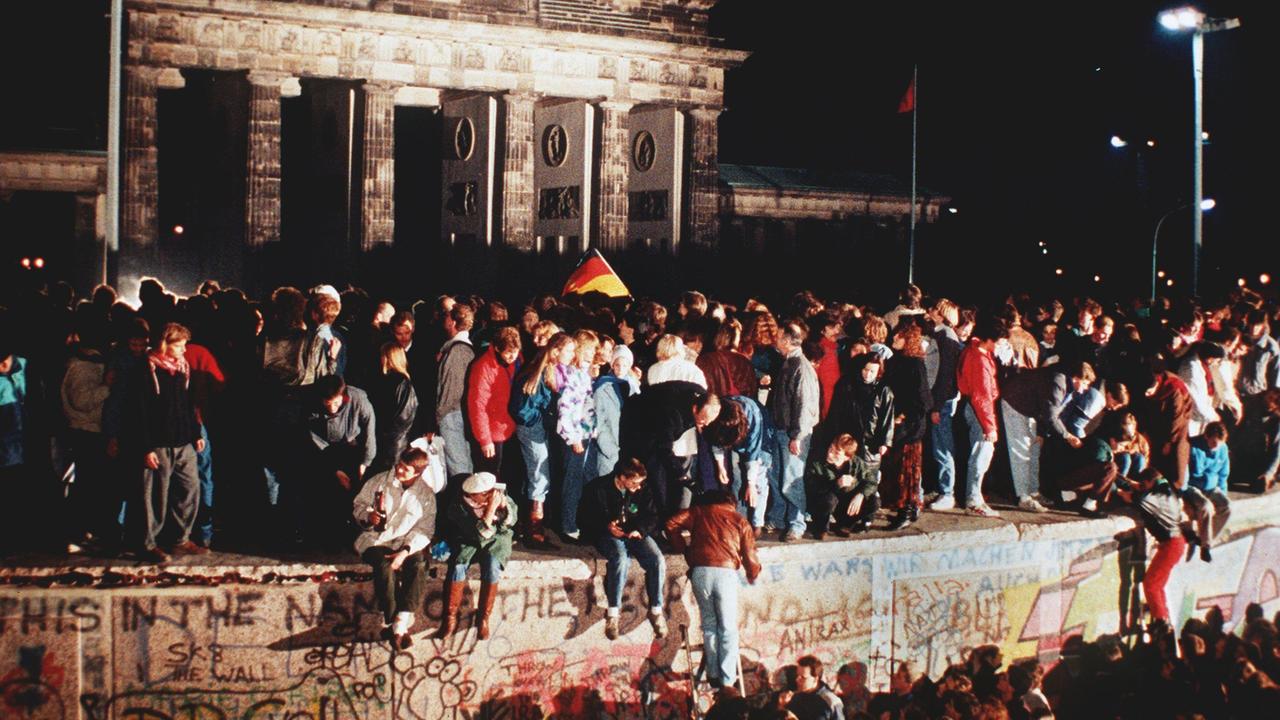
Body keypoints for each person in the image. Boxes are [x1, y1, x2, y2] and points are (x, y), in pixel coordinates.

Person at [122, 323, 207, 562]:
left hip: (182, 442)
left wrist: (195, 433)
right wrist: (146, 447)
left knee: (190, 490)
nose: (183, 350)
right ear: (164, 345)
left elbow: (188, 404)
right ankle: (149, 544)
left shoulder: (182, 368)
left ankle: (180, 538)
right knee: (154, 497)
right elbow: (139, 412)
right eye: (178, 345)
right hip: (158, 443)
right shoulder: (145, 370)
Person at [665, 489, 760, 690]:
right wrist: (753, 573)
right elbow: (750, 555)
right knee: (727, 628)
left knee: (709, 625)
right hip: (725, 574)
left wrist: (683, 548)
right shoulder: (739, 520)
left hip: (700, 573)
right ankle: (727, 680)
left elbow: (671, 523)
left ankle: (714, 674)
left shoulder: (698, 512)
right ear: (731, 502)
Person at [353, 447, 436, 649]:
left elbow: (425, 529)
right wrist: (367, 517)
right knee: (385, 566)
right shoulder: (380, 481)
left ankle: (401, 620)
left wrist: (406, 550)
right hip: (377, 539)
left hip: (406, 542)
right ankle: (395, 623)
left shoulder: (426, 495)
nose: (398, 471)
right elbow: (358, 505)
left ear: (417, 473)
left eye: (405, 470)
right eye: (399, 466)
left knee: (418, 565)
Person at [577, 458, 667, 640]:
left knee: (657, 559)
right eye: (634, 483)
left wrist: (639, 530)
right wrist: (606, 526)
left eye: (640, 483)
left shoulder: (643, 489)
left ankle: (656, 610)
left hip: (635, 533)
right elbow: (585, 518)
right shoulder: (598, 488)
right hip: (608, 535)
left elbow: (652, 516)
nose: (638, 487)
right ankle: (613, 613)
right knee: (620, 559)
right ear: (622, 478)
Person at [618, 380, 721, 517]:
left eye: (709, 421)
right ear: (695, 409)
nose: (706, 424)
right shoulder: (672, 416)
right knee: (654, 476)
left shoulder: (703, 396)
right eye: (702, 420)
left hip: (657, 410)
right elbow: (664, 450)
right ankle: (646, 518)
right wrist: (684, 478)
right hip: (638, 423)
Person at [438, 472, 517, 640]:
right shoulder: (458, 507)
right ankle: (450, 617)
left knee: (492, 567)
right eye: (486, 494)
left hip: (496, 542)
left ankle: (483, 618)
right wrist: (489, 512)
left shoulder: (500, 497)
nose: (492, 496)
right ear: (474, 495)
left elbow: (511, 522)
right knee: (458, 566)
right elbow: (479, 534)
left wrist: (503, 510)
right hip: (469, 540)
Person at [509, 333, 571, 546]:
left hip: (538, 428)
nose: (572, 355)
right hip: (532, 428)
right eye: (569, 351)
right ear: (555, 351)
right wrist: (546, 418)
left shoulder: (551, 370)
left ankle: (529, 523)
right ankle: (534, 528)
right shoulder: (538, 372)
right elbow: (523, 410)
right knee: (539, 474)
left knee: (536, 474)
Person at [943, 317, 1008, 517]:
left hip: (974, 407)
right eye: (998, 341)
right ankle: (973, 499)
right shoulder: (979, 359)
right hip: (979, 410)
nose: (1000, 345)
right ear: (989, 339)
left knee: (978, 453)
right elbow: (982, 397)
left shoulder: (975, 351)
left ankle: (974, 497)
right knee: (981, 455)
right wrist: (990, 426)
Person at [302, 374, 376, 549]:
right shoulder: (311, 403)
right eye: (328, 405)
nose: (332, 408)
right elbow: (314, 439)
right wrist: (335, 470)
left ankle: (356, 539)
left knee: (357, 494)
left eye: (335, 403)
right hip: (327, 450)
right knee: (330, 493)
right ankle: (330, 538)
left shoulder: (359, 399)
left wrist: (365, 463)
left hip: (354, 447)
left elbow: (369, 432)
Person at [766, 319, 820, 541]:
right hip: (784, 430)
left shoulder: (800, 366)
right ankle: (780, 517)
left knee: (792, 478)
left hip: (794, 432)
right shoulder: (789, 362)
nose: (774, 341)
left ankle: (796, 523)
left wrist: (797, 435)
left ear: (787, 340)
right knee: (779, 475)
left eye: (778, 337)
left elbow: (804, 403)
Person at [1115, 467, 1186, 624]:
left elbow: (1137, 499)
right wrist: (1135, 485)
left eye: (1144, 485)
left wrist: (1122, 493)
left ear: (1149, 482)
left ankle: (1160, 621)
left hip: (1171, 544)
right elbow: (1146, 492)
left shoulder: (1155, 496)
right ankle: (1162, 614)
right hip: (1175, 543)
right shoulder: (1166, 489)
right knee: (1158, 585)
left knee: (1151, 585)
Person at [883, 322, 931, 529]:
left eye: (897, 337)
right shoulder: (897, 361)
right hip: (898, 423)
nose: (893, 340)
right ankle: (906, 508)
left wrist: (903, 415)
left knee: (908, 470)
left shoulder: (915, 364)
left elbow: (923, 400)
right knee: (899, 469)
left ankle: (907, 509)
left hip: (910, 426)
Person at [704, 394, 771, 533]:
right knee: (737, 480)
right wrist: (721, 467)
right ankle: (740, 521)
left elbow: (754, 452)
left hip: (761, 439)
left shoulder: (753, 415)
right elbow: (715, 440)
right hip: (735, 436)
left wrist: (751, 484)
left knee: (758, 482)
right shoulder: (717, 412)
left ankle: (757, 523)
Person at [556, 330, 599, 540]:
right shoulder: (573, 375)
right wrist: (573, 437)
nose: (592, 353)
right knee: (571, 481)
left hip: (587, 434)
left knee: (586, 479)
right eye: (589, 348)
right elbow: (566, 408)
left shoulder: (584, 373)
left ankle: (581, 523)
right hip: (575, 437)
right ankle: (567, 526)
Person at [465, 326, 521, 476]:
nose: (513, 356)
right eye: (508, 352)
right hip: (491, 433)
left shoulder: (517, 361)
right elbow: (477, 406)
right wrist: (485, 439)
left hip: (509, 428)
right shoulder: (483, 367)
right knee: (489, 477)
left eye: (515, 351)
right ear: (497, 348)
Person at [436, 302, 476, 477]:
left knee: (458, 465)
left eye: (446, 316)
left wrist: (439, 415)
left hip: (452, 415)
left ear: (452, 322)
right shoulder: (458, 348)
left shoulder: (458, 352)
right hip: (456, 414)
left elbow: (451, 389)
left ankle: (462, 501)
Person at [804, 434, 870, 538]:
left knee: (873, 501)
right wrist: (836, 484)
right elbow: (812, 487)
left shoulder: (857, 463)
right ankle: (820, 528)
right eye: (831, 448)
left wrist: (860, 494)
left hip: (843, 503)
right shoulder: (817, 460)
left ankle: (844, 525)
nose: (830, 454)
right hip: (821, 502)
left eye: (836, 452)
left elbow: (871, 481)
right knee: (829, 500)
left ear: (847, 457)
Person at [368, 342, 418, 475]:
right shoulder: (390, 380)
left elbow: (404, 416)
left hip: (394, 442)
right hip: (389, 439)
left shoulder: (401, 382)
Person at [1185, 420, 1231, 562]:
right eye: (1213, 444)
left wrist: (1223, 493)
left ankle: (1204, 539)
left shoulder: (1222, 449)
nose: (1215, 448)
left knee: (1227, 507)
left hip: (1212, 486)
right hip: (1193, 486)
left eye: (1219, 445)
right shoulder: (1192, 447)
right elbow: (1185, 474)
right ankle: (1206, 546)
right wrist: (1183, 494)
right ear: (1206, 437)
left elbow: (1223, 474)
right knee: (1205, 507)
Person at [592, 345, 640, 479]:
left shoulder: (634, 387)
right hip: (610, 448)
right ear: (612, 365)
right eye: (617, 365)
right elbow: (599, 422)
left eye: (625, 365)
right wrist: (611, 451)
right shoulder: (602, 387)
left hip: (629, 447)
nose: (621, 369)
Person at [784, 655, 844, 720]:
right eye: (797, 675)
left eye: (803, 677)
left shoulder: (831, 702)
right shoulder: (794, 697)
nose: (797, 680)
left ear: (815, 679)